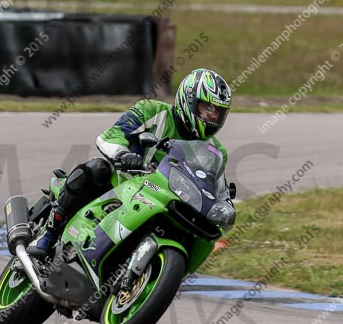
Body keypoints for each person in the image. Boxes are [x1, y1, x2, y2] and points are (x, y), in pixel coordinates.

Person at [27, 68, 232, 260]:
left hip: (166, 200)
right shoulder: (151, 110)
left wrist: (225, 207)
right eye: (207, 108)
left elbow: (217, 190)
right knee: (97, 169)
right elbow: (111, 135)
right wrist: (123, 154)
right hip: (126, 181)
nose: (211, 117)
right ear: (188, 100)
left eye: (218, 113)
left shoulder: (216, 151)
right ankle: (50, 233)